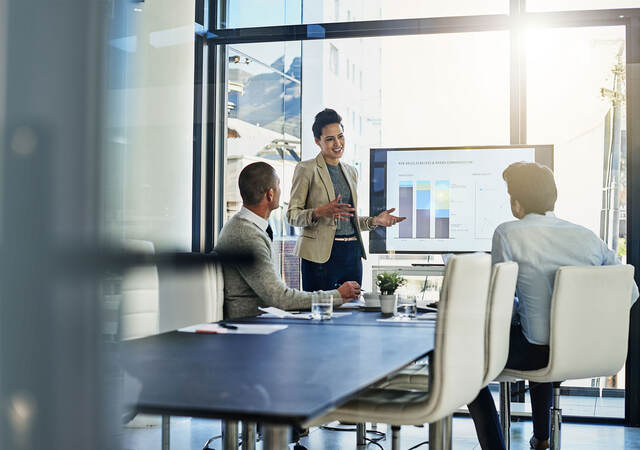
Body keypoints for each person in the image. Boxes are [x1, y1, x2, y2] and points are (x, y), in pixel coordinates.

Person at [468, 162, 639, 450]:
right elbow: (630, 291)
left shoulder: (508, 232)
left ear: (516, 202)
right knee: (541, 335)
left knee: (468, 365)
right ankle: (542, 439)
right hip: (589, 350)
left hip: (536, 353)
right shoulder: (586, 236)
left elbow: (500, 303)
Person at [215, 162, 361, 319]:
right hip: (253, 326)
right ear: (270, 194)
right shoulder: (246, 237)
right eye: (278, 186)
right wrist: (337, 295)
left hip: (265, 319)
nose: (280, 191)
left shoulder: (244, 227)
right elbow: (280, 298)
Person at [286, 108, 405, 291]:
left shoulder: (351, 172)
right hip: (320, 257)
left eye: (340, 136)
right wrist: (319, 212)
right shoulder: (306, 169)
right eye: (329, 139)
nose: (337, 143)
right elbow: (292, 215)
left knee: (352, 310)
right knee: (321, 313)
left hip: (352, 254)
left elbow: (348, 220)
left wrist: (375, 221)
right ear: (318, 141)